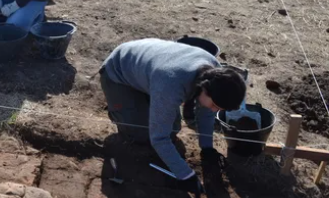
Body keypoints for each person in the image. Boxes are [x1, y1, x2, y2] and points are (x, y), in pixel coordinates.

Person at [100, 38, 246, 197]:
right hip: (118, 72)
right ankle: (120, 114)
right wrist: (186, 175)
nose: (214, 110)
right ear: (204, 87)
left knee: (173, 128)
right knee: (143, 134)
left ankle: (144, 102)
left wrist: (207, 149)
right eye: (215, 105)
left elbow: (206, 113)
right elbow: (159, 139)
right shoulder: (171, 83)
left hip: (151, 71)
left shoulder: (215, 74)